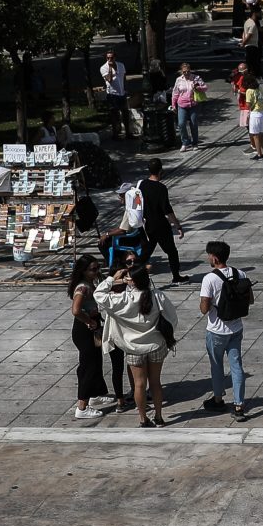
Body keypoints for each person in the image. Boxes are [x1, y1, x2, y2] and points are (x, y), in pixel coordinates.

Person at [95, 262, 174, 427]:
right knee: (155, 383)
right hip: (155, 345)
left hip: (133, 348)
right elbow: (172, 318)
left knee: (139, 384)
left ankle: (143, 418)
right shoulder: (157, 296)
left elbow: (99, 294)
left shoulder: (123, 299)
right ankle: (159, 417)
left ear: (133, 282)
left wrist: (111, 278)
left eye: (127, 278)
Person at [198, 240, 251, 416]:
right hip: (236, 329)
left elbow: (204, 309)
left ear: (214, 258)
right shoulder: (241, 274)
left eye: (208, 256)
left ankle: (218, 399)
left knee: (216, 366)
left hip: (216, 331)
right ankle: (239, 405)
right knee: (237, 366)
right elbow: (250, 300)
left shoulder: (210, 278)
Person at [66, 256, 109, 419]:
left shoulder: (92, 283)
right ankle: (82, 407)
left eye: (98, 267)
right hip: (84, 330)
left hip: (93, 327)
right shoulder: (83, 287)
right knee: (88, 366)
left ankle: (95, 394)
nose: (96, 271)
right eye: (93, 269)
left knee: (96, 361)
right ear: (83, 271)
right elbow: (76, 310)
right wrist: (89, 321)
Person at [137, 160, 186, 282]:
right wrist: (178, 226)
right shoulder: (161, 188)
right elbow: (167, 210)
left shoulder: (142, 185)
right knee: (172, 252)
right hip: (160, 225)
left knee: (145, 253)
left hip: (146, 224)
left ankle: (134, 275)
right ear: (160, 171)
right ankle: (176, 276)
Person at [99, 51, 130, 138]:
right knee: (114, 115)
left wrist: (126, 88)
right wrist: (110, 68)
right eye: (108, 58)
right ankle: (115, 134)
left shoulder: (121, 65)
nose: (110, 59)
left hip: (122, 93)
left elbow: (124, 78)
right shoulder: (103, 68)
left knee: (125, 113)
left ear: (115, 57)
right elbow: (109, 80)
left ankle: (128, 133)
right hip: (112, 94)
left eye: (111, 58)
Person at [171, 64, 202, 148]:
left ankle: (195, 143)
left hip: (193, 104)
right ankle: (185, 142)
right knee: (181, 124)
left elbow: (205, 87)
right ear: (181, 72)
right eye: (184, 72)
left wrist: (198, 88)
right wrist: (173, 105)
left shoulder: (196, 78)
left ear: (190, 70)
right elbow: (175, 93)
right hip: (182, 105)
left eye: (188, 71)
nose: (186, 73)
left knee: (193, 124)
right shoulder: (179, 80)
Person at [243, 73, 263, 159]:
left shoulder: (249, 91)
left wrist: (247, 116)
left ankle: (259, 155)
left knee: (255, 135)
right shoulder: (260, 89)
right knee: (261, 134)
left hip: (255, 113)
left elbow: (248, 105)